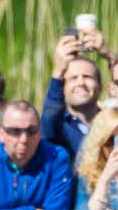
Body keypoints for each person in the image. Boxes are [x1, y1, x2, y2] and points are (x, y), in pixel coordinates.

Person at [38, 23, 110, 158]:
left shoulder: (112, 123)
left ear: (100, 86)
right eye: (73, 78)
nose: (81, 83)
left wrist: (109, 55)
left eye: (87, 77)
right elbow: (50, 115)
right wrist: (58, 70)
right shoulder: (57, 126)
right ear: (62, 88)